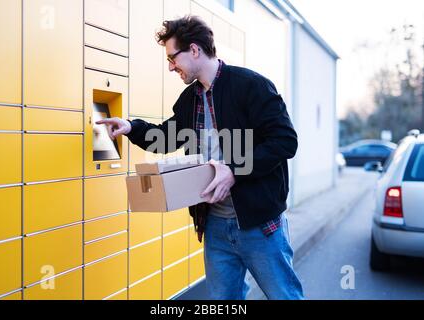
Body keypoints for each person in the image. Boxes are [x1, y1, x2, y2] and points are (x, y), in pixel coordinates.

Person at [96, 15, 304, 300]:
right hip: (216, 225)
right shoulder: (189, 100)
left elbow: (285, 141)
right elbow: (165, 138)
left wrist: (233, 170)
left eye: (173, 58)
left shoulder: (251, 85)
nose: (171, 67)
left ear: (194, 50)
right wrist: (131, 127)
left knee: (285, 297)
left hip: (260, 225)